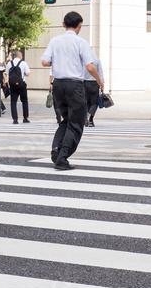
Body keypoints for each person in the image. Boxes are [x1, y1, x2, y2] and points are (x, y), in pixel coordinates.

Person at [42, 11, 103, 170]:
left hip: (58, 85)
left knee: (66, 119)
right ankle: (62, 158)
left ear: (63, 24)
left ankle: (56, 148)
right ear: (80, 25)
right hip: (74, 86)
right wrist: (99, 80)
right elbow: (90, 66)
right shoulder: (81, 43)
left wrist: (59, 63)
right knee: (76, 122)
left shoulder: (55, 41)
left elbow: (44, 62)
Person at [7, 50, 31, 124]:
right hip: (21, 84)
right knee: (24, 101)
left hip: (12, 85)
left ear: (14, 56)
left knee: (13, 101)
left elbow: (7, 73)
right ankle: (25, 117)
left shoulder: (9, 63)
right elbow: (27, 74)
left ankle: (15, 119)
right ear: (20, 56)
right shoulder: (23, 63)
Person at [84, 55, 105, 128]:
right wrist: (102, 83)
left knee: (87, 102)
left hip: (84, 83)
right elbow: (100, 72)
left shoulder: (83, 60)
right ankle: (90, 119)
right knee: (94, 103)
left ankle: (87, 116)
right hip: (94, 83)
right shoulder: (97, 60)